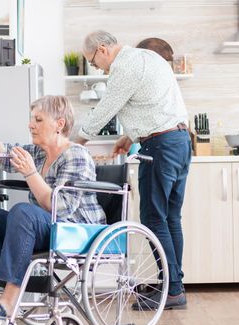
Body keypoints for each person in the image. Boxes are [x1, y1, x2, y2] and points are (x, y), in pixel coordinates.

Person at [75, 30, 192, 310]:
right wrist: (132, 136)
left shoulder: (123, 67)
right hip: (179, 141)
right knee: (170, 218)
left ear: (102, 49)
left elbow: (104, 111)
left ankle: (172, 290)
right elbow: (152, 103)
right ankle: (172, 283)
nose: (96, 68)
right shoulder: (149, 57)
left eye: (93, 61)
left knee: (154, 219)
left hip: (160, 148)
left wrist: (71, 146)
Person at [0, 95, 106, 322]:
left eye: (39, 120)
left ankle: (9, 302)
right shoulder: (39, 153)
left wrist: (31, 173)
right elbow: (11, 152)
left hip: (75, 231)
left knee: (23, 212)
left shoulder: (76, 155)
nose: (31, 125)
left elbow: (60, 208)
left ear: (59, 124)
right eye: (32, 119)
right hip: (44, 228)